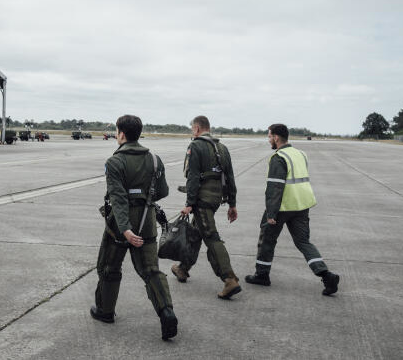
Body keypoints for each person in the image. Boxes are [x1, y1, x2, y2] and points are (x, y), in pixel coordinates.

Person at [90, 114, 178, 341]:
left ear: (121, 133)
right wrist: (143, 197)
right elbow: (163, 191)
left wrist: (126, 229)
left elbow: (118, 199)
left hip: (119, 227)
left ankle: (105, 311)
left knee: (109, 268)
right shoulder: (154, 160)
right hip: (147, 223)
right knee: (151, 271)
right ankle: (166, 312)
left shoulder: (115, 162)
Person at [245, 124, 340, 296]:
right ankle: (326, 275)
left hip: (283, 206)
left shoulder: (279, 157)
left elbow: (275, 187)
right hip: (302, 205)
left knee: (267, 239)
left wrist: (271, 213)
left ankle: (262, 275)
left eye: (269, 137)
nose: (269, 140)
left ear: (276, 137)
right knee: (303, 242)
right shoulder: (300, 154)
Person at [171, 115, 241, 300]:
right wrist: (232, 204)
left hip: (202, 200)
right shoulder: (222, 148)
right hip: (216, 198)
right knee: (196, 232)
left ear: (196, 128)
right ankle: (183, 268)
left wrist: (189, 204)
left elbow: (193, 177)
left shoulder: (196, 146)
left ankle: (229, 278)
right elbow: (231, 178)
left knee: (211, 237)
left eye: (191, 129)